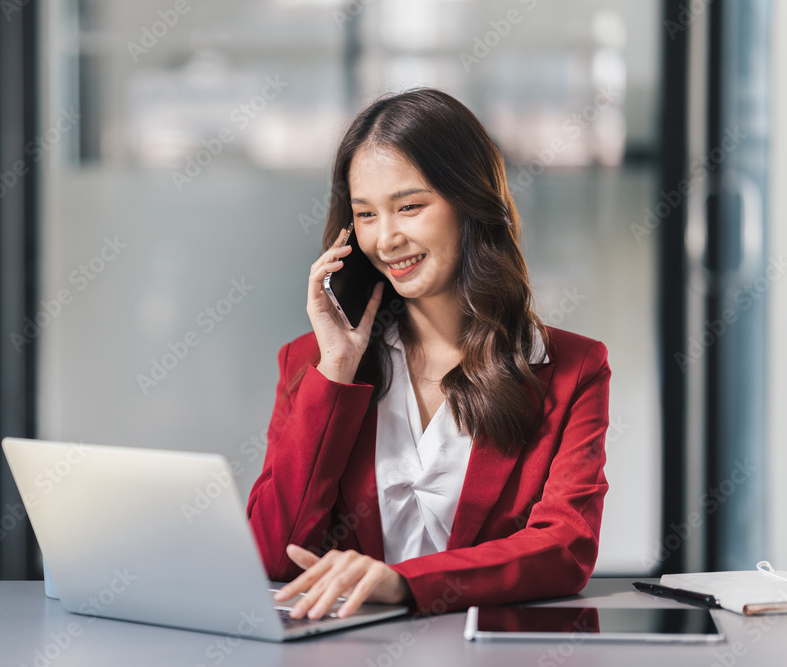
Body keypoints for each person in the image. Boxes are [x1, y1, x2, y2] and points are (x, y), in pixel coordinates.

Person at [246, 88, 611, 620]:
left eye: (410, 207)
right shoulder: (311, 364)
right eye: (366, 215)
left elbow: (564, 548)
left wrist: (404, 583)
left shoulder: (572, 368)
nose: (386, 238)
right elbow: (273, 556)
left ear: (470, 202)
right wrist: (336, 374)